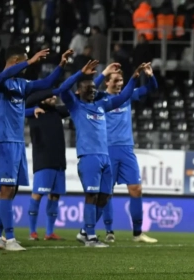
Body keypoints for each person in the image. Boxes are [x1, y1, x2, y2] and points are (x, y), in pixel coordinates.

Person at [60, 61, 149, 247]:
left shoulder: (101, 105)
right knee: (91, 196)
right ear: (78, 92)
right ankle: (91, 237)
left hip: (105, 157)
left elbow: (124, 96)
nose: (92, 90)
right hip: (89, 156)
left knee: (104, 197)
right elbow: (62, 88)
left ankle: (85, 231)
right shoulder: (75, 106)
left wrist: (134, 78)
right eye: (88, 88)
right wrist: (85, 74)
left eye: (94, 88)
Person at [0, 47, 73, 251]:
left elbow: (47, 84)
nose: (27, 67)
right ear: (15, 61)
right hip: (3, 142)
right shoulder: (1, 80)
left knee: (11, 191)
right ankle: (11, 239)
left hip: (17, 144)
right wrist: (30, 62)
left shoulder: (22, 84)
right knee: (5, 189)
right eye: (23, 63)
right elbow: (5, 73)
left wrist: (61, 65)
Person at [93, 63, 158, 243]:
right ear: (106, 82)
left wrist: (150, 75)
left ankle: (137, 233)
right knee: (107, 192)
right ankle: (108, 231)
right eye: (115, 80)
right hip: (108, 149)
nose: (120, 83)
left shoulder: (127, 96)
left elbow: (152, 88)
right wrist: (103, 72)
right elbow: (89, 88)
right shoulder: (100, 98)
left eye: (121, 80)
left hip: (127, 149)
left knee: (136, 189)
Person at [24, 67, 83, 241]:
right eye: (49, 95)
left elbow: (72, 106)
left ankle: (49, 232)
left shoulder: (57, 112)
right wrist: (49, 91)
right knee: (38, 194)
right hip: (43, 159)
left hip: (59, 161)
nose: (53, 97)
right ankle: (32, 232)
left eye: (53, 96)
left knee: (55, 195)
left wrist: (79, 94)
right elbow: (34, 98)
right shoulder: (32, 109)